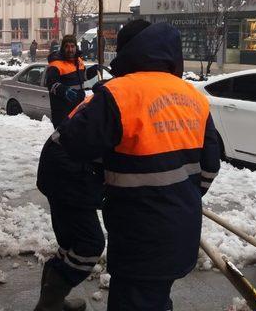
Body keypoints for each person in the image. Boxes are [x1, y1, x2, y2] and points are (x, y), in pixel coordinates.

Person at [55, 20, 221, 311]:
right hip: (182, 229)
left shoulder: (119, 94)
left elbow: (71, 142)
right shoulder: (194, 97)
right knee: (156, 298)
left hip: (137, 234)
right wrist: (185, 196)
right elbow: (210, 166)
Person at [34, 96, 104, 311]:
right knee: (88, 245)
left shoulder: (111, 93)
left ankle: (52, 302)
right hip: (71, 171)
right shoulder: (124, 99)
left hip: (59, 164)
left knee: (70, 242)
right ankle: (48, 306)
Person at [46, 35, 86, 128]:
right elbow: (51, 84)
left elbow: (83, 77)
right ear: (62, 48)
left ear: (76, 47)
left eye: (72, 46)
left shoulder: (79, 61)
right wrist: (64, 91)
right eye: (67, 46)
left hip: (78, 109)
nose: (70, 49)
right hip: (62, 113)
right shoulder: (55, 64)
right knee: (64, 140)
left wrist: (92, 72)